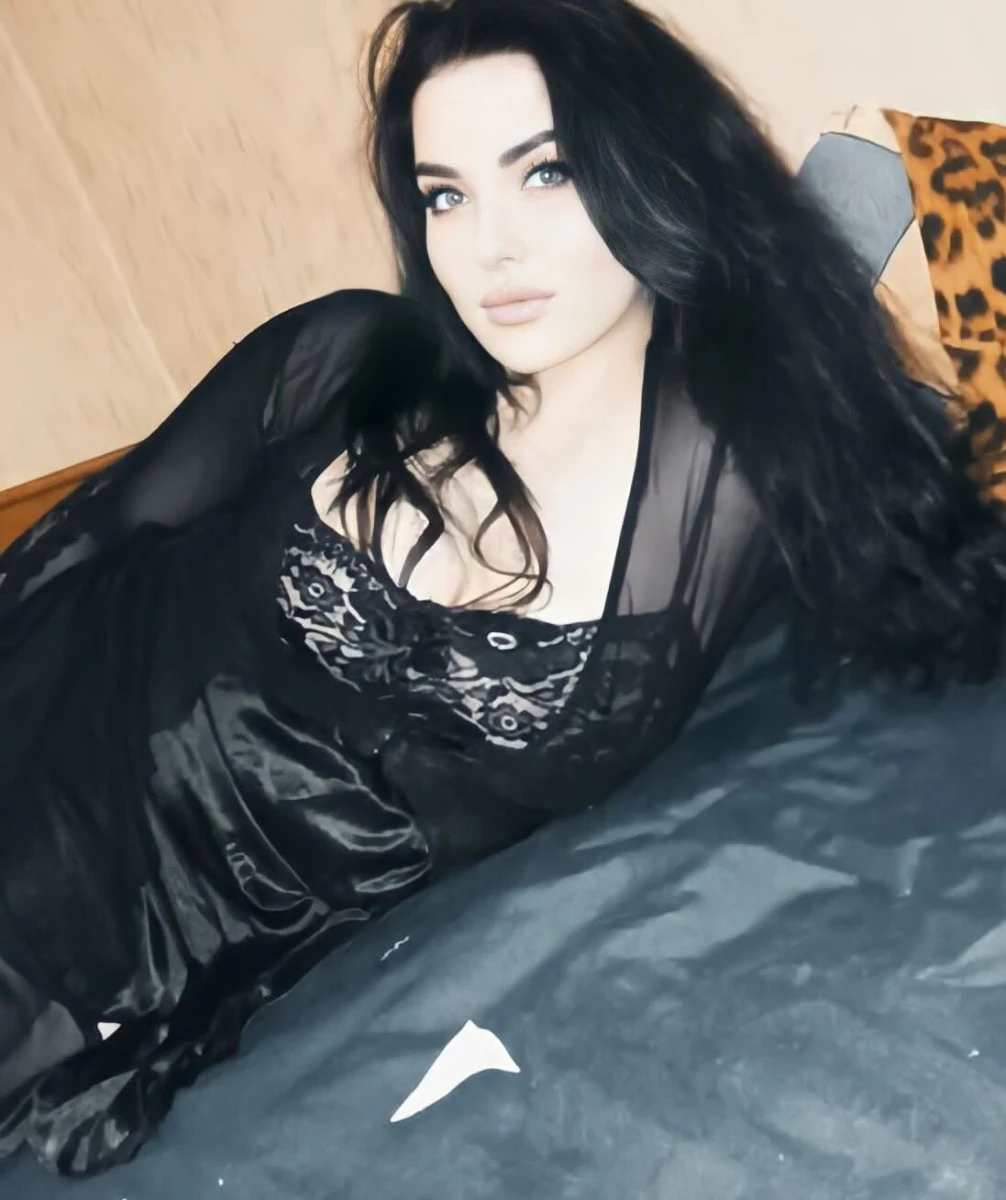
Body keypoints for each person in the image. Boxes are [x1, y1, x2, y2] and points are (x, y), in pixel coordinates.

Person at [2, 0, 1005, 1175]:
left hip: (190, 943)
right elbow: (88, 544)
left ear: (651, 169)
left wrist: (881, 197)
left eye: (545, 173)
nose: (489, 249)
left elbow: (927, 535)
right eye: (446, 195)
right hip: (65, 760)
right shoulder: (344, 357)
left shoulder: (735, 464)